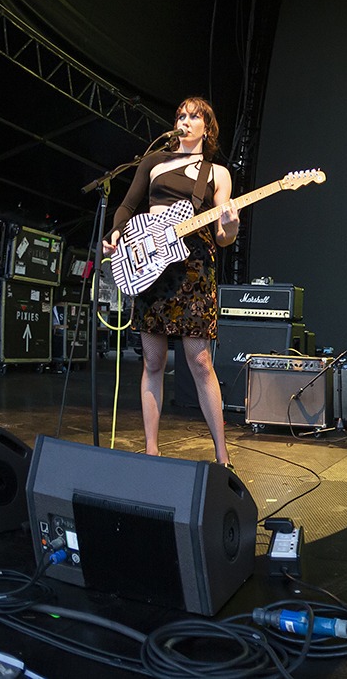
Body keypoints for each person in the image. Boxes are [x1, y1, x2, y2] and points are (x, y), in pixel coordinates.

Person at [102, 97, 238, 466]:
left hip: (193, 265)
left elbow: (224, 236)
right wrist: (116, 233)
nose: (186, 121)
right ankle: (151, 451)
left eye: (194, 117)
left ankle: (222, 455)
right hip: (149, 262)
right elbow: (129, 205)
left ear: (207, 128)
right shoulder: (154, 161)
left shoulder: (216, 172)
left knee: (200, 360)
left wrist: (231, 223)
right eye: (181, 115)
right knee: (153, 361)